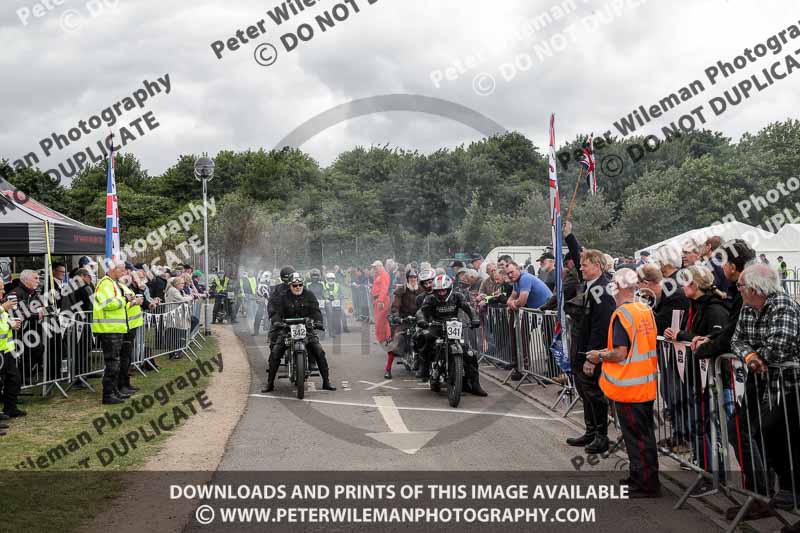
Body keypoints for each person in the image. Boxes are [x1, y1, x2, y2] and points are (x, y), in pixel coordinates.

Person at [724, 264, 800, 520]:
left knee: (779, 436)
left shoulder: (783, 306)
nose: (738, 290)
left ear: (756, 288)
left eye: (741, 286)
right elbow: (736, 340)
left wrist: (758, 357)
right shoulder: (748, 307)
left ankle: (789, 489)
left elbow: (779, 347)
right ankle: (769, 492)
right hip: (761, 383)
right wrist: (752, 356)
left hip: (789, 386)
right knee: (746, 429)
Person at [586, 268, 660, 498]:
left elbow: (619, 353)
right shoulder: (644, 310)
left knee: (636, 438)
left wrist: (598, 355)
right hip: (644, 383)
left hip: (629, 385)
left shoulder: (622, 314)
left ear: (616, 287)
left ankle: (645, 484)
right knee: (643, 436)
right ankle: (640, 477)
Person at [663, 265, 729, 497]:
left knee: (708, 428)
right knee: (698, 426)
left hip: (711, 379)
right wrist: (681, 335)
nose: (681, 287)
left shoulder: (715, 309)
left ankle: (714, 475)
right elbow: (698, 338)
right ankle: (706, 470)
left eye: (685, 283)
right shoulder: (697, 306)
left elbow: (714, 340)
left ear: (695, 285)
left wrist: (681, 335)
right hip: (696, 377)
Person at [565, 249, 616, 454]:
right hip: (580, 348)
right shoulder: (589, 286)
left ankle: (601, 436)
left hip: (591, 352)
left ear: (597, 266)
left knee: (594, 394)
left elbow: (601, 327)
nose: (581, 268)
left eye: (585, 265)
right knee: (585, 393)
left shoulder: (602, 290)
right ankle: (591, 431)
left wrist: (592, 357)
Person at [262, 272, 336, 393]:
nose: (297, 287)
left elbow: (316, 310)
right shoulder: (283, 296)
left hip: (306, 328)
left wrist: (317, 322)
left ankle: (326, 382)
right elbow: (276, 311)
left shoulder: (309, 295)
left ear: (303, 285)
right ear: (290, 286)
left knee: (319, 351)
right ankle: (270, 384)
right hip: (287, 328)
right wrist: (277, 321)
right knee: (275, 353)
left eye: (300, 285)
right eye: (294, 285)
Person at [416, 275, 487, 396]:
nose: (441, 293)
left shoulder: (457, 296)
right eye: (439, 290)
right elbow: (421, 312)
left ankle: (474, 384)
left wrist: (474, 319)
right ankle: (424, 366)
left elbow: (468, 308)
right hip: (436, 326)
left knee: (469, 354)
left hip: (454, 326)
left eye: (444, 290)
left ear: (449, 289)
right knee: (425, 337)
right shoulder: (430, 299)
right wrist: (422, 321)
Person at [92, 260, 130, 405]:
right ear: (114, 269)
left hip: (114, 328)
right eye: (122, 270)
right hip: (108, 329)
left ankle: (114, 391)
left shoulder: (112, 283)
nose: (124, 272)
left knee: (115, 362)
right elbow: (107, 304)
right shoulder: (106, 283)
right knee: (112, 363)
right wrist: (124, 299)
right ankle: (108, 395)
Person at [385, 270, 422, 379]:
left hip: (419, 320)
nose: (413, 279)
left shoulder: (421, 290)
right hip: (404, 320)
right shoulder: (401, 290)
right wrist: (396, 316)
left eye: (415, 277)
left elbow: (426, 304)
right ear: (407, 278)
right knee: (397, 340)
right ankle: (388, 369)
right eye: (411, 277)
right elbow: (396, 305)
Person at [118, 265, 145, 395]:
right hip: (125, 326)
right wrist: (135, 302)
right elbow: (121, 305)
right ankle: (121, 385)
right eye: (126, 272)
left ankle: (126, 383)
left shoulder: (126, 287)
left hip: (131, 325)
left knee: (127, 357)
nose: (129, 274)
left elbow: (141, 289)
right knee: (124, 357)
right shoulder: (119, 287)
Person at [0, 285, 22, 423]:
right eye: (0, 289)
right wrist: (3, 308)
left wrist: (12, 323)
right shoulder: (2, 306)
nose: (3, 291)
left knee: (14, 379)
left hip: (6, 349)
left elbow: (4, 320)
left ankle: (10, 408)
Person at [371, 260, 392, 346]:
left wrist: (380, 301)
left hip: (382, 300)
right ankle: (384, 338)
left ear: (380, 266)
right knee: (380, 320)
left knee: (381, 320)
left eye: (375, 267)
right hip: (378, 299)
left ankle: (383, 338)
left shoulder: (384, 275)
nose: (374, 269)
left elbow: (384, 288)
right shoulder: (379, 275)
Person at [253, 271, 272, 336]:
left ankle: (270, 335)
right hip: (262, 303)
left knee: (270, 318)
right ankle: (256, 332)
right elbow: (257, 292)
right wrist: (258, 299)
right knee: (258, 316)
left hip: (269, 304)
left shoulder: (272, 284)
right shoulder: (260, 284)